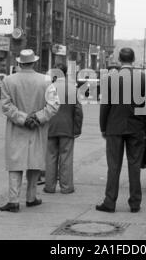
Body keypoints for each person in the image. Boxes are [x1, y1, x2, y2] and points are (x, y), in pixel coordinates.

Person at [0, 50, 60, 213]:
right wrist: (38, 117)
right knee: (34, 162)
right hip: (37, 128)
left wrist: (23, 118)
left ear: (19, 63)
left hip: (16, 128)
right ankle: (31, 197)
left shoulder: (8, 80)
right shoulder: (46, 81)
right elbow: (54, 105)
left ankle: (13, 201)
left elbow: (6, 106)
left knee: (15, 163)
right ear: (34, 62)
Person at [96, 48, 146, 213]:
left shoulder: (110, 78)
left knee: (113, 166)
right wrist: (144, 127)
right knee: (134, 166)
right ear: (133, 59)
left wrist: (104, 127)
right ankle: (135, 203)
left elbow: (105, 106)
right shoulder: (143, 79)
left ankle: (110, 202)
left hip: (114, 127)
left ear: (119, 59)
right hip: (136, 128)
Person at [44, 63, 83, 194]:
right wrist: (77, 129)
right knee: (66, 157)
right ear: (66, 73)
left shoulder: (49, 88)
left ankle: (49, 186)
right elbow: (78, 110)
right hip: (67, 127)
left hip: (50, 127)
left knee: (50, 157)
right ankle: (66, 187)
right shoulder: (72, 88)